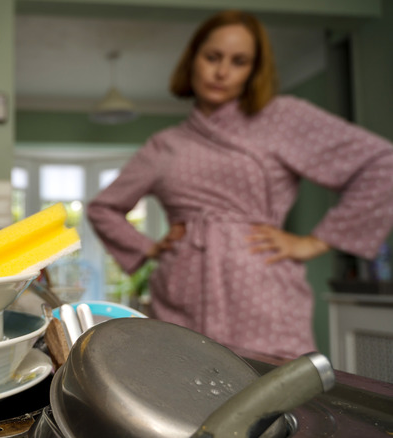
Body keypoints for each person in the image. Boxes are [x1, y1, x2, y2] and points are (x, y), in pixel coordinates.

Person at [87, 10, 393, 358]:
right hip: (181, 298)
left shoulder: (283, 118)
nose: (221, 72)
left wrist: (316, 241)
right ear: (193, 60)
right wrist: (148, 247)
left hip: (264, 297)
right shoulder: (164, 144)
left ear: (253, 71)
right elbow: (103, 208)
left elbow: (382, 164)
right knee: (183, 396)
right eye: (212, 57)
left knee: (275, 400)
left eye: (239, 61)